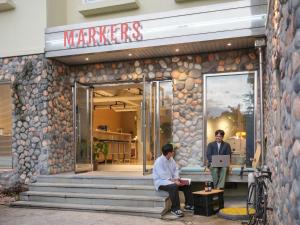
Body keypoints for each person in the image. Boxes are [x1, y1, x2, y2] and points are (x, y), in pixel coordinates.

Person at [153, 143, 194, 218]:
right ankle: (175, 209)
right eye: (172, 151)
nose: (173, 152)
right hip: (161, 182)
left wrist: (177, 178)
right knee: (174, 186)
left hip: (172, 180)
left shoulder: (171, 159)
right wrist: (175, 182)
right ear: (169, 153)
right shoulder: (159, 162)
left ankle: (188, 205)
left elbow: (176, 170)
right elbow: (163, 176)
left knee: (187, 184)